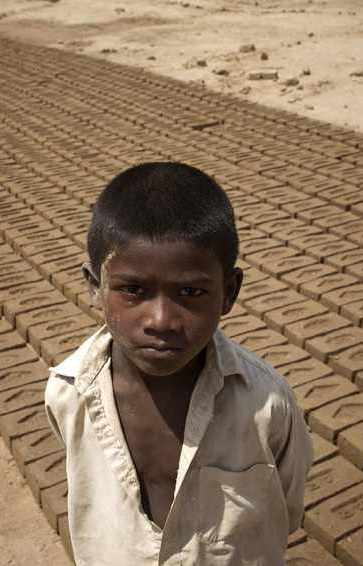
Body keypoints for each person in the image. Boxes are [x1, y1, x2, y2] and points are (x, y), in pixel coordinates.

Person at [45, 162, 313, 565]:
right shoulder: (68, 394)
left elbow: (285, 507)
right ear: (95, 287)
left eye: (190, 291)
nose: (161, 321)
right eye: (132, 289)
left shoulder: (266, 402)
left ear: (229, 291)